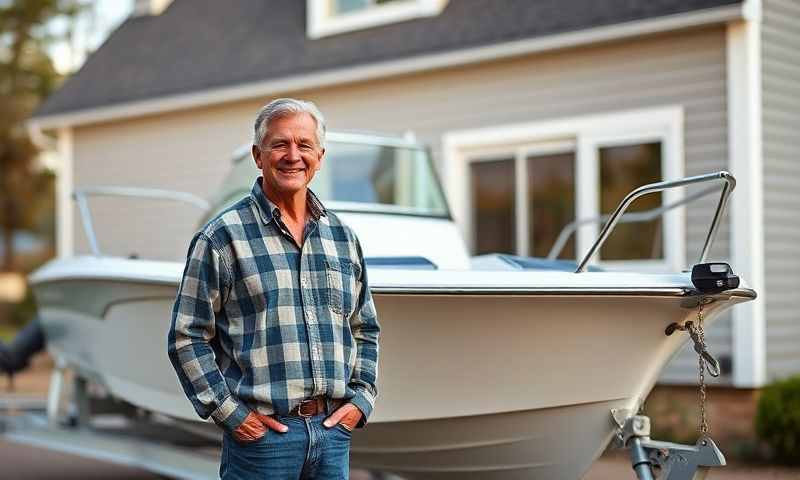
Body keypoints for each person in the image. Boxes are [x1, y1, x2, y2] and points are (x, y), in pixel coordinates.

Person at [168, 98, 380, 479]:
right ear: (258, 155)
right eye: (280, 144)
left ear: (320, 156)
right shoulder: (221, 238)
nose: (292, 155)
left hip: (333, 435)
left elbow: (364, 328)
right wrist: (232, 414)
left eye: (304, 144)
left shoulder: (343, 239)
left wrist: (361, 400)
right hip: (263, 441)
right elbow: (188, 337)